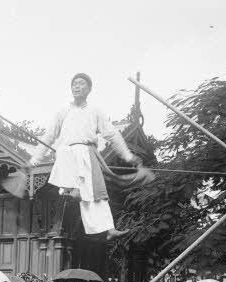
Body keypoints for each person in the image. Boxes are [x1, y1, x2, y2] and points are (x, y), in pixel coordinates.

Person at [27, 72, 145, 240]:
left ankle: (109, 229)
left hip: (86, 154)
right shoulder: (63, 111)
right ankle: (71, 190)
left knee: (97, 193)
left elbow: (112, 134)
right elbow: (48, 137)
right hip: (66, 154)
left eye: (81, 83)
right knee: (67, 162)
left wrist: (128, 156)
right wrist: (34, 160)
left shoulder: (95, 111)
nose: (77, 86)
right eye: (74, 83)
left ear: (89, 89)